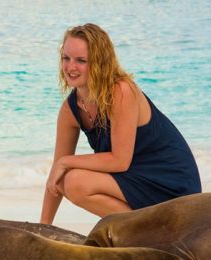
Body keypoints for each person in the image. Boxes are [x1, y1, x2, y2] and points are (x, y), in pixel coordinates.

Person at [40, 23, 201, 225]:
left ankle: (142, 232)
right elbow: (56, 176)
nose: (70, 67)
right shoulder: (69, 110)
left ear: (100, 62)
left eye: (81, 61)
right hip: (132, 180)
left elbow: (119, 161)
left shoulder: (121, 91)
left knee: (73, 180)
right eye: (66, 58)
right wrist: (42, 227)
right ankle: (143, 230)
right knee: (66, 180)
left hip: (169, 182)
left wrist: (66, 162)